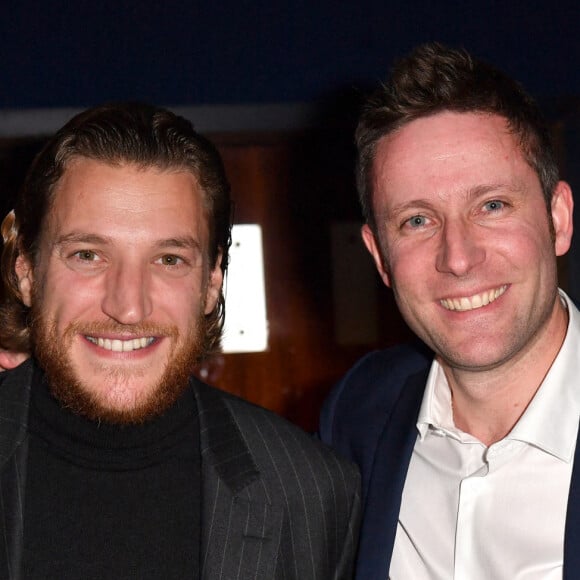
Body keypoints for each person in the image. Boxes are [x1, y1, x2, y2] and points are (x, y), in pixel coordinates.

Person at [0, 102, 361, 579]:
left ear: (212, 280)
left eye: (169, 259)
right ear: (25, 267)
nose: (128, 308)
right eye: (88, 254)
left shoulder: (313, 494)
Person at [320, 43, 578, 579]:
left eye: (491, 206)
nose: (458, 258)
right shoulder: (360, 411)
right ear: (379, 257)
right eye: (417, 220)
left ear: (558, 219)